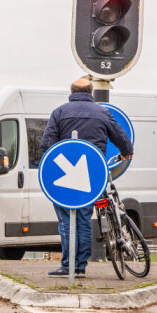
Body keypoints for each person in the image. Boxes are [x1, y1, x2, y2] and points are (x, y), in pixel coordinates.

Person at [40, 78, 134, 278]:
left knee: (66, 220)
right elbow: (121, 138)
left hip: (65, 176)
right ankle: (80, 265)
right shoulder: (102, 112)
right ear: (91, 92)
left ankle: (68, 266)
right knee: (83, 217)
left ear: (71, 91)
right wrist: (127, 152)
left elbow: (47, 144)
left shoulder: (59, 112)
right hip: (94, 174)